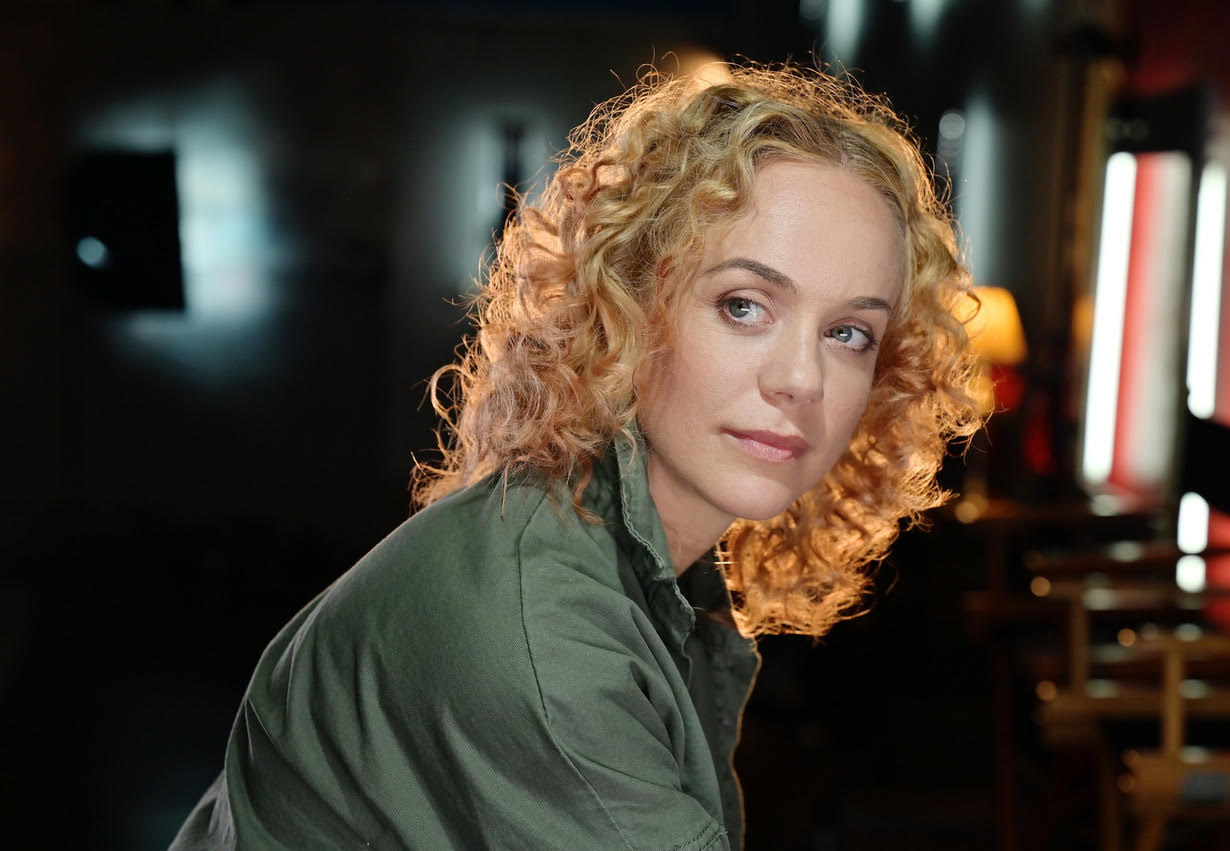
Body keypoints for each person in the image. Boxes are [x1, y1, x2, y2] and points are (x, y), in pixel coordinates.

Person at [170, 62, 980, 851]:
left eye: (849, 333)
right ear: (627, 305)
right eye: (744, 305)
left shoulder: (639, 566)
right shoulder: (543, 634)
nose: (802, 379)